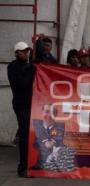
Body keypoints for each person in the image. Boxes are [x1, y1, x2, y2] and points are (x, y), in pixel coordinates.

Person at [7, 41, 35, 177]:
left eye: (27, 51)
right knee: (24, 136)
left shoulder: (28, 66)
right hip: (21, 104)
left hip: (31, 104)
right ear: (17, 52)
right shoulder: (13, 67)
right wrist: (31, 70)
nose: (26, 53)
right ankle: (23, 167)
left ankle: (29, 163)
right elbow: (21, 83)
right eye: (23, 51)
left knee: (30, 135)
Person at [32, 104, 65, 169]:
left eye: (52, 113)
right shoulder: (35, 124)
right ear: (42, 112)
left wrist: (43, 138)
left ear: (56, 115)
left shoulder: (60, 127)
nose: (49, 115)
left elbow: (49, 145)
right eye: (47, 112)